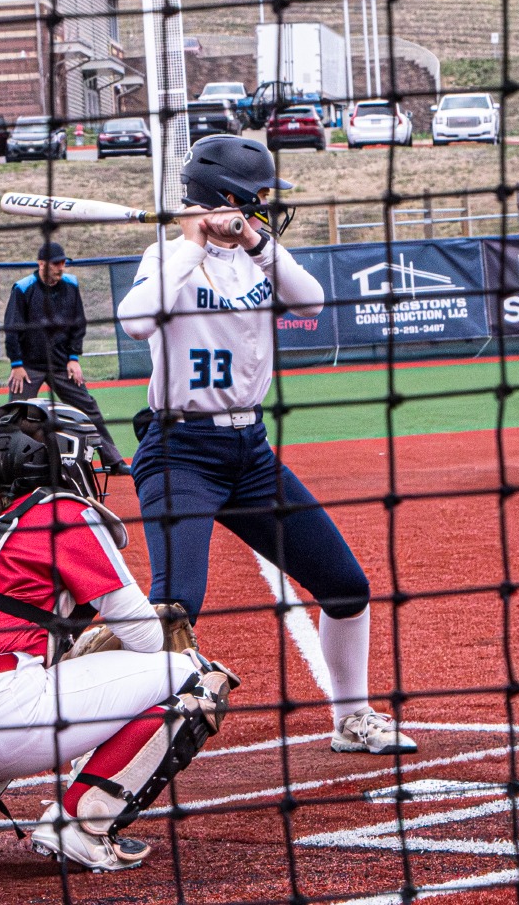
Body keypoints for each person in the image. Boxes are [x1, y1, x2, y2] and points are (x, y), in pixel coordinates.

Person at [116, 134, 415, 756]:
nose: (262, 212)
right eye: (253, 202)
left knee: (345, 586)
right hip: (181, 451)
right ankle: (110, 737)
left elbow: (311, 298)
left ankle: (351, 718)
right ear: (220, 197)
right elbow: (136, 319)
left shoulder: (258, 258)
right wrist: (194, 238)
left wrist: (252, 239)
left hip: (250, 453)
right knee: (174, 607)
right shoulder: (166, 257)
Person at [0, 399, 235, 873]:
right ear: (63, 457)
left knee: (23, 669)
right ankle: (80, 823)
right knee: (195, 680)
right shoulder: (65, 512)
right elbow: (145, 636)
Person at [4, 241, 128, 473]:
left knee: (88, 408)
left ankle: (113, 460)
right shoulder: (23, 288)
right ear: (41, 264)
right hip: (29, 366)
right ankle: (11, 466)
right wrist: (16, 364)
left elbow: (77, 323)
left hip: (62, 364)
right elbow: (12, 328)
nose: (60, 268)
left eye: (63, 263)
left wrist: (73, 358)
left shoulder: (71, 285)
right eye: (55, 264)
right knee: (14, 414)